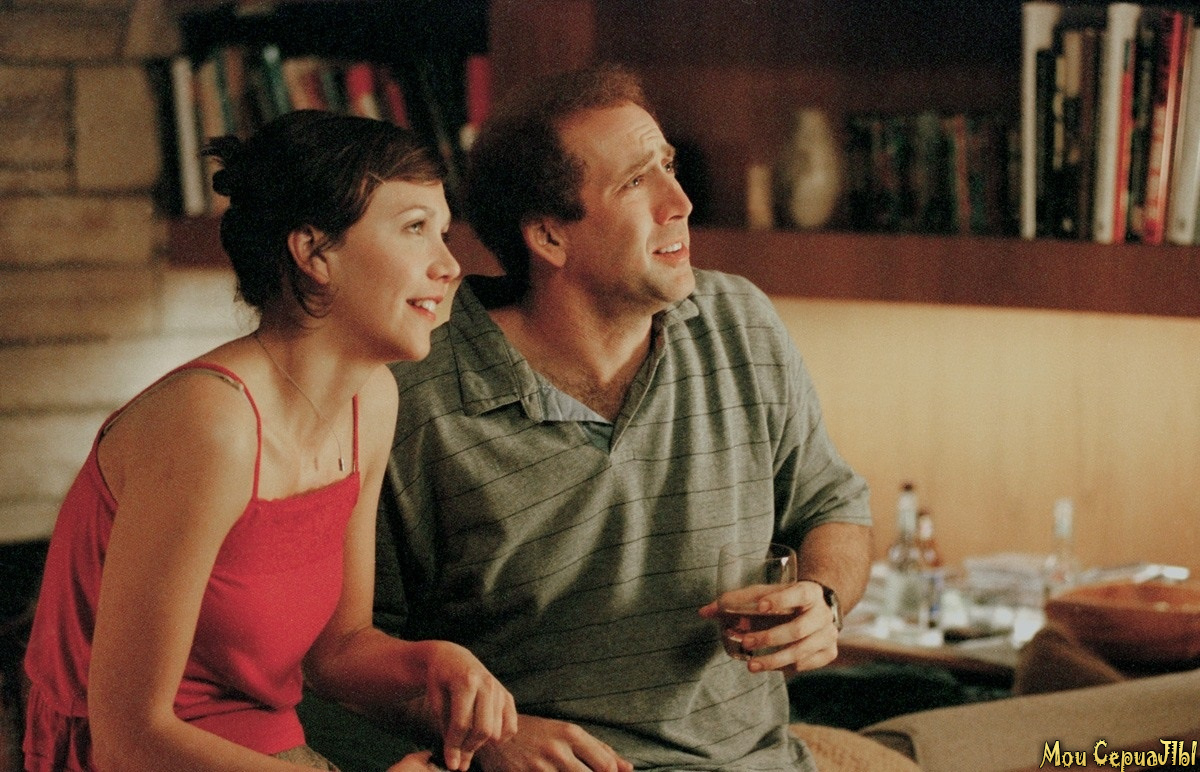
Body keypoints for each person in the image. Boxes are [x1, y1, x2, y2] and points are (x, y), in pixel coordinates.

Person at [22, 110, 517, 772]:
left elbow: (336, 651)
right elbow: (129, 739)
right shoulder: (209, 425)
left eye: (444, 233)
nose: (450, 265)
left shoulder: (371, 400)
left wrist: (436, 661)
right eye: (414, 229)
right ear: (314, 253)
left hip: (265, 749)